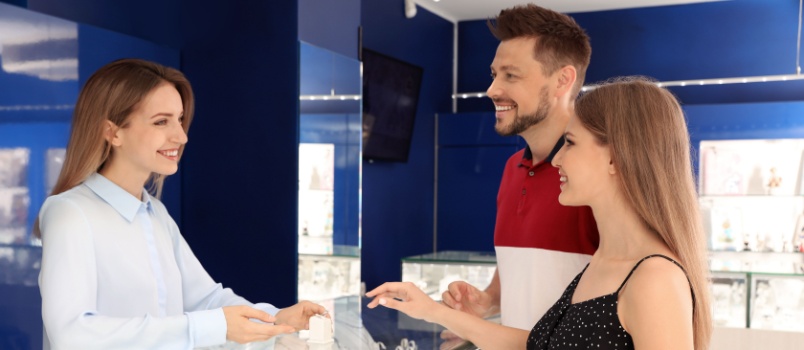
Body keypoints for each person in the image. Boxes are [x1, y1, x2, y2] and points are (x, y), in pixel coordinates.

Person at [367, 77, 713, 350]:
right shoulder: (604, 262)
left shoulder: (655, 278)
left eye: (572, 143)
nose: (559, 159)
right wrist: (431, 311)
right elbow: (538, 345)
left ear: (615, 158)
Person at [36, 58, 326, 349]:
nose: (181, 136)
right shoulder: (70, 213)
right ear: (112, 132)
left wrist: (275, 319)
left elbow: (205, 299)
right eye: (161, 121)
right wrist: (209, 327)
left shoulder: (155, 214)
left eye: (179, 119)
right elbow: (72, 334)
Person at [440, 3, 598, 332]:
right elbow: (524, 271)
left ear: (562, 81)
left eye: (511, 75)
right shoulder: (513, 167)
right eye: (495, 75)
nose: (492, 89)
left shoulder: (601, 171)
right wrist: (488, 299)